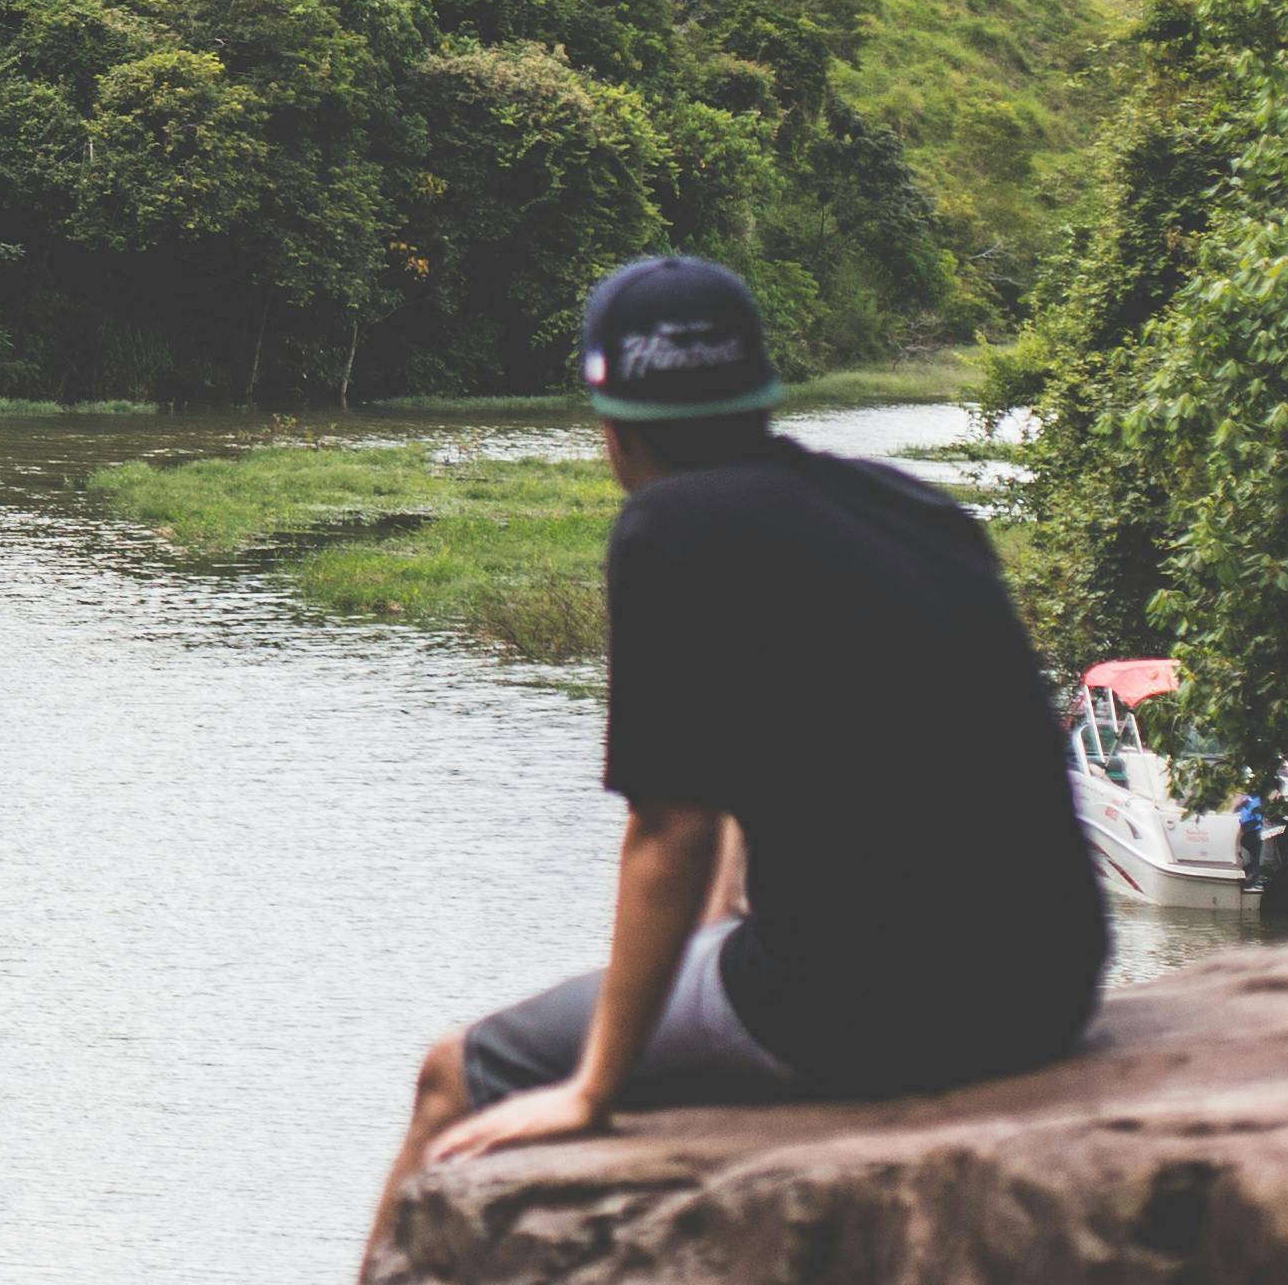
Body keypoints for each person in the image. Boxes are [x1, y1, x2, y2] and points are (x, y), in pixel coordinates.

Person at [376, 253, 1106, 1229]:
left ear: (613, 425)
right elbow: (741, 776)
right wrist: (716, 932)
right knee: (722, 955)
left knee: (452, 1075)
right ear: (763, 393)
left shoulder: (667, 527)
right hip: (1055, 983)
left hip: (864, 1014)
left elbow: (670, 829)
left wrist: (596, 1086)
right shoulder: (909, 505)